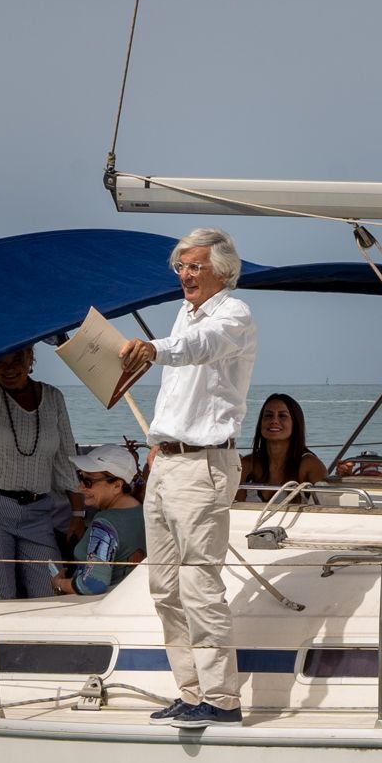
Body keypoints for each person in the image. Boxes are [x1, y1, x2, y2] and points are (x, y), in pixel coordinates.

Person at [117, 227, 257, 729]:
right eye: (180, 267)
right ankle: (191, 691)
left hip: (202, 464)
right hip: (167, 462)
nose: (185, 275)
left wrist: (152, 350)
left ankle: (221, 699)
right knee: (164, 587)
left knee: (200, 585)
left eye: (194, 266)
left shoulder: (233, 315)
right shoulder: (184, 315)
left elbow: (198, 348)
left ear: (223, 269)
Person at [0, 345, 82, 600]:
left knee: (53, 588)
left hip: (37, 513)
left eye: (17, 360)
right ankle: (1, 641)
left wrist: (78, 513)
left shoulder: (53, 397)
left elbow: (65, 459)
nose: (9, 368)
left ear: (30, 358)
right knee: (1, 596)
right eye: (0, 362)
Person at [52, 444, 146, 596]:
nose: (80, 487)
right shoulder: (144, 512)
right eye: (80, 476)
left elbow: (93, 584)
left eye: (88, 481)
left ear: (116, 486)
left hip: (104, 606)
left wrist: (59, 584)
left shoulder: (105, 524)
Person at [239, 393, 328, 501]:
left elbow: (327, 506)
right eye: (268, 415)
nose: (274, 421)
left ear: (295, 423)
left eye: (282, 416)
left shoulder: (309, 465)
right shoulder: (247, 464)